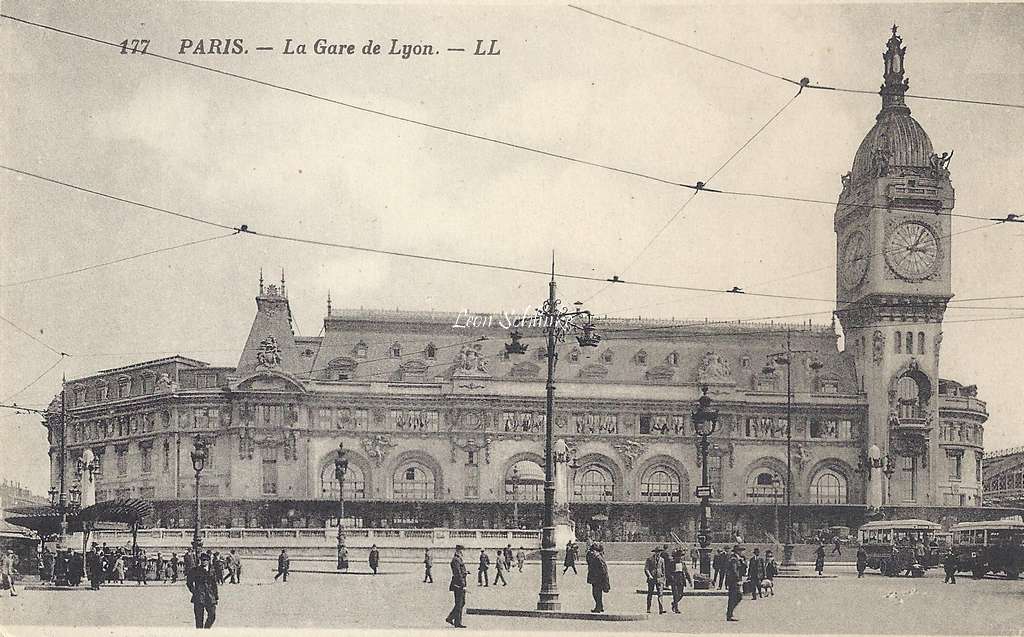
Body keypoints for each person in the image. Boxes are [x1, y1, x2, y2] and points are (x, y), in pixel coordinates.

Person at [187, 553, 219, 629]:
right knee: (199, 619)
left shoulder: (212, 570)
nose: (203, 562)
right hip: (199, 597)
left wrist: (216, 597)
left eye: (205, 560)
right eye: (202, 560)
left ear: (208, 561)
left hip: (210, 597)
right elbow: (189, 582)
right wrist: (194, 591)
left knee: (212, 615)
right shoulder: (195, 570)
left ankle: (206, 629)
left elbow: (214, 585)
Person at [445, 545, 469, 628]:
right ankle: (456, 622)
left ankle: (451, 618)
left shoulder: (458, 559)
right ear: (459, 551)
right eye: (462, 550)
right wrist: (463, 584)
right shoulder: (456, 560)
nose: (463, 552)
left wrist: (466, 572)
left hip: (460, 583)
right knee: (459, 603)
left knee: (461, 602)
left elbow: (460, 571)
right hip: (458, 584)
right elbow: (457, 573)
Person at [586, 543, 610, 613]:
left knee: (596, 593)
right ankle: (600, 606)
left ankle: (598, 607)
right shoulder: (597, 556)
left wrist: (603, 578)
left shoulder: (597, 557)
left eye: (592, 550)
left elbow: (603, 569)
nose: (590, 552)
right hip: (597, 578)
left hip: (598, 578)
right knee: (597, 593)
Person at [725, 545, 747, 622]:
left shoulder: (738, 559)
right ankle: (729, 614)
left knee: (734, 597)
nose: (742, 552)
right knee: (736, 597)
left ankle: (729, 613)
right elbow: (734, 571)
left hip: (733, 581)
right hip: (733, 581)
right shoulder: (734, 559)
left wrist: (743, 562)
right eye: (741, 550)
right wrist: (738, 580)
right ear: (738, 551)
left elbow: (743, 569)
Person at [667, 548, 692, 614]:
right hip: (674, 580)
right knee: (675, 594)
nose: (679, 558)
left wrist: (690, 581)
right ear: (675, 557)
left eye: (680, 556)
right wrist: (671, 578)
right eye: (677, 556)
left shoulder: (683, 564)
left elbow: (686, 572)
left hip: (681, 580)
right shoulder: (671, 563)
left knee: (681, 594)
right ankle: (676, 608)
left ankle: (674, 603)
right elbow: (668, 572)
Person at [644, 546, 666, 614]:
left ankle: (661, 609)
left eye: (659, 552)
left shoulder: (662, 560)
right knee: (650, 593)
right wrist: (649, 575)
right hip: (652, 579)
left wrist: (663, 578)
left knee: (660, 594)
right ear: (655, 552)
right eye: (657, 552)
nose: (658, 553)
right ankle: (648, 608)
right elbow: (646, 569)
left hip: (659, 579)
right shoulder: (649, 559)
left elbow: (663, 569)